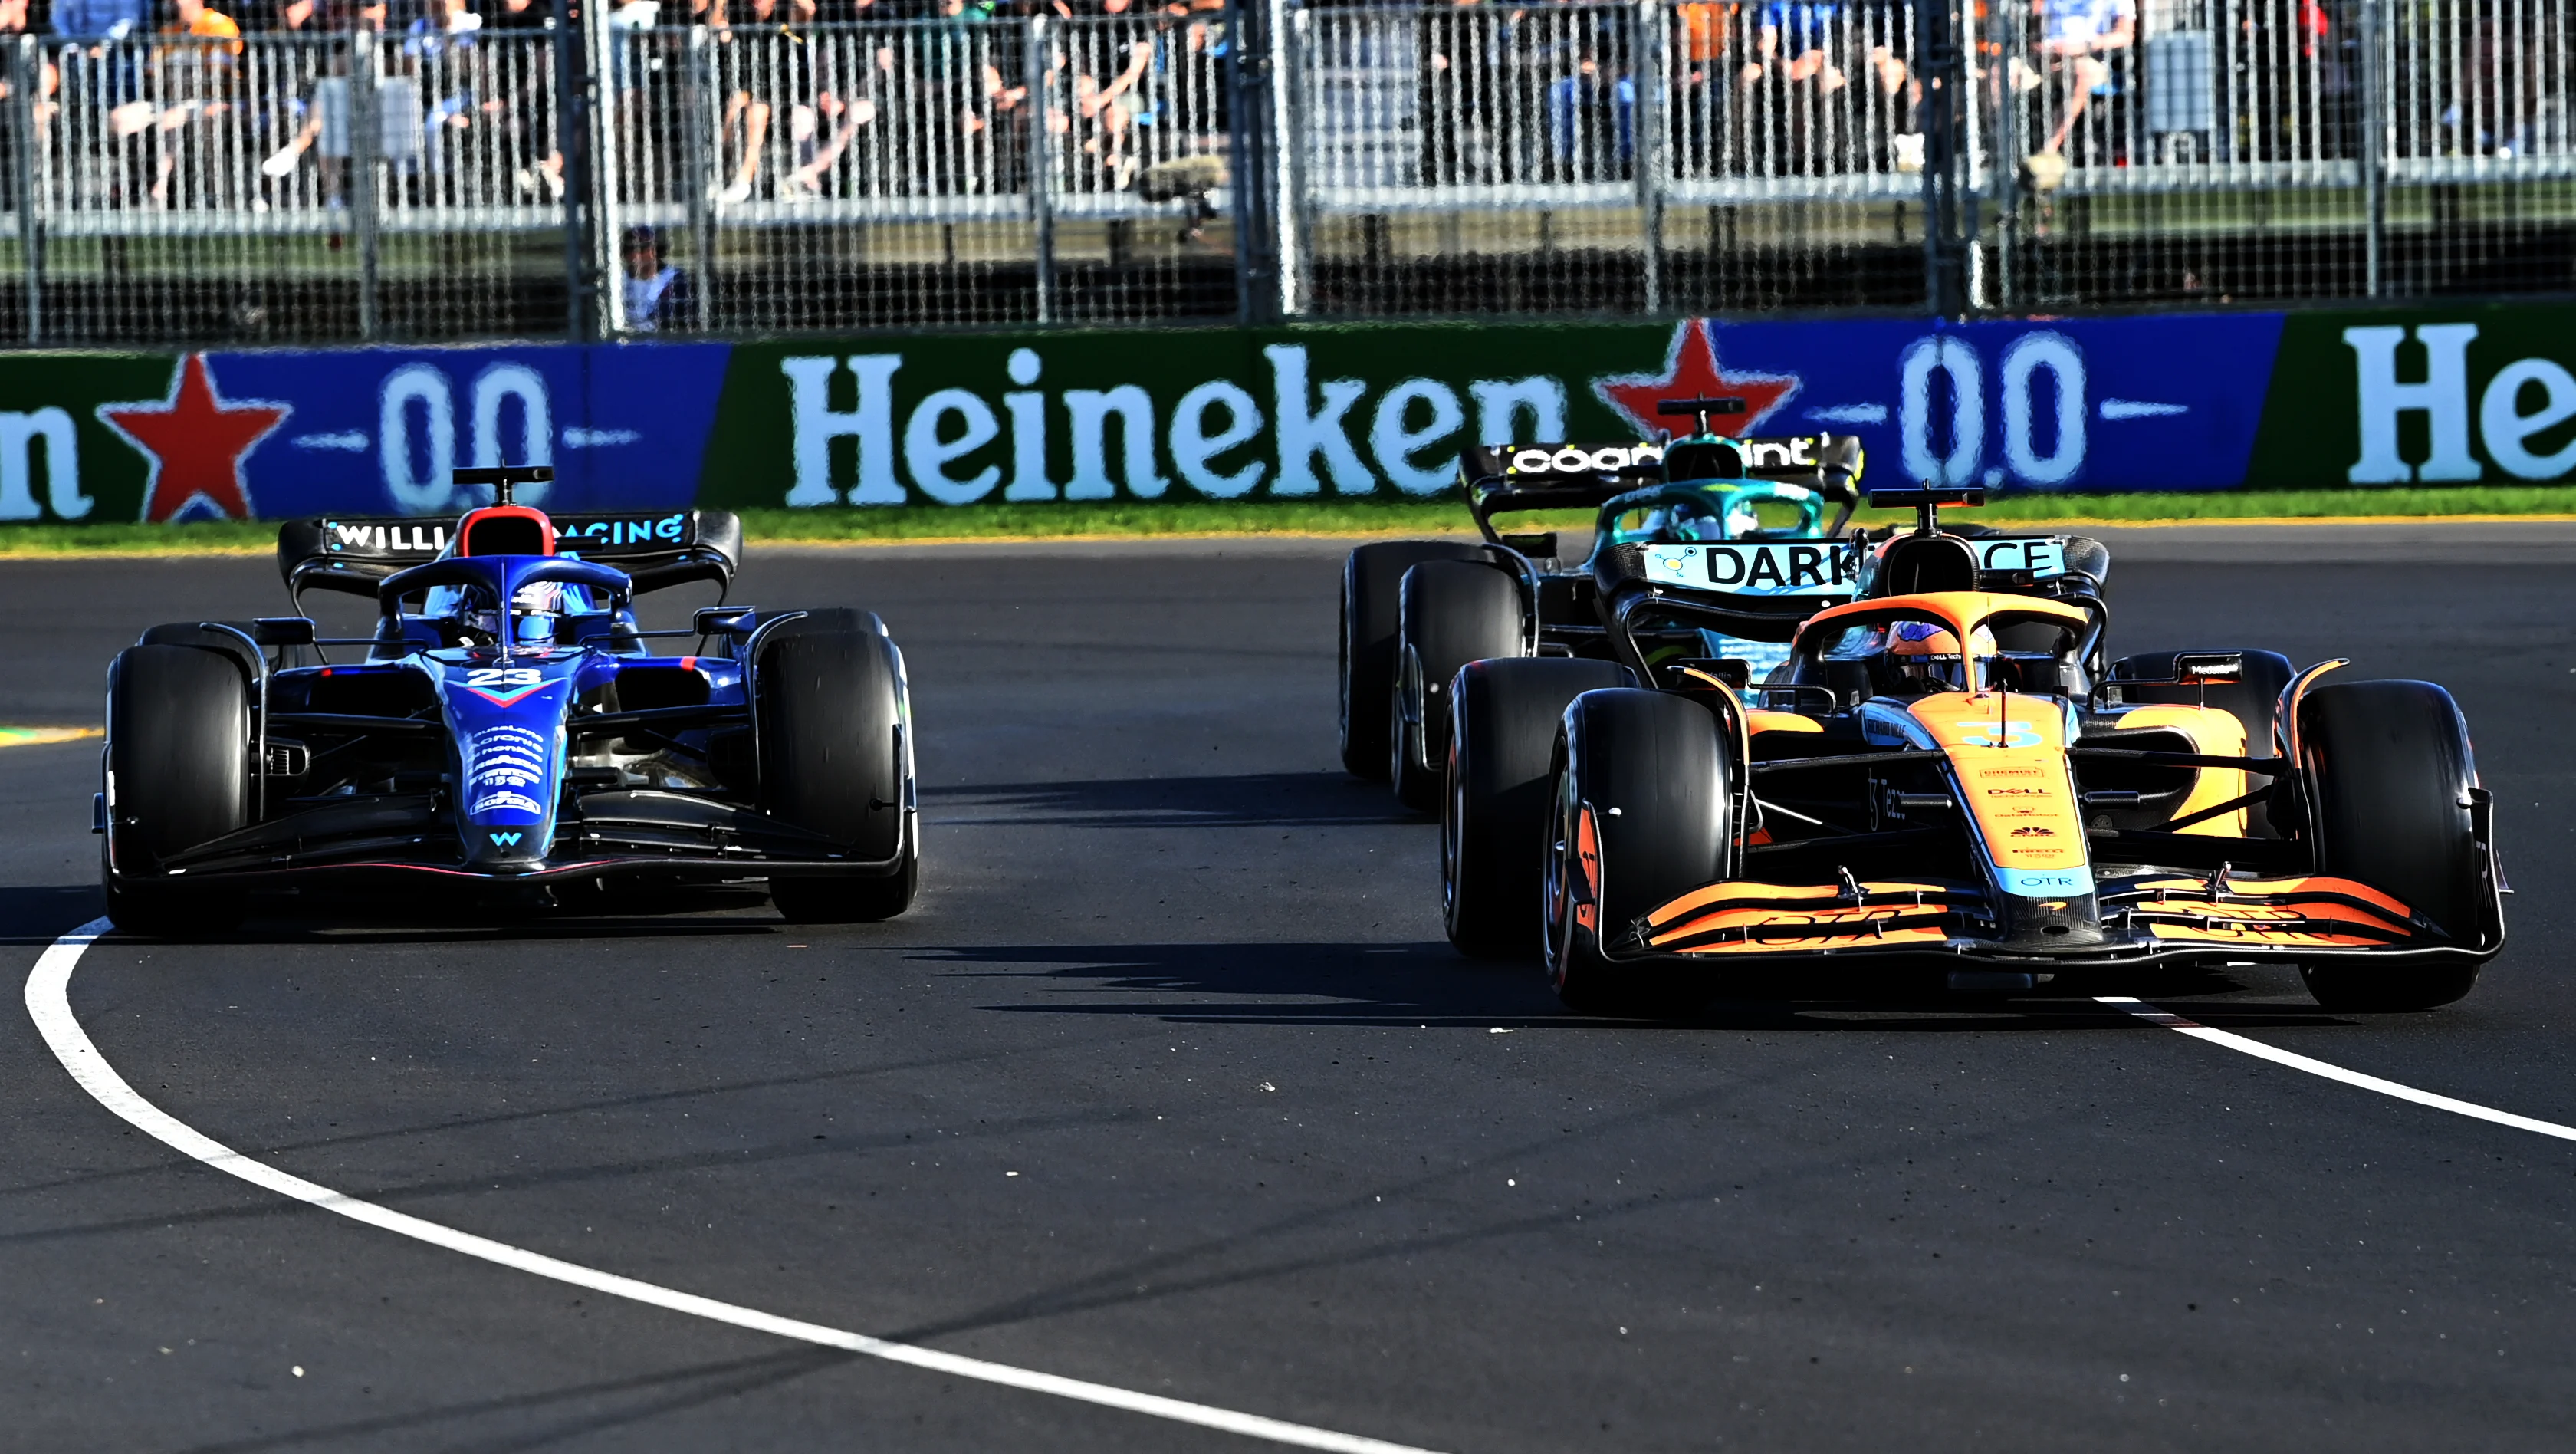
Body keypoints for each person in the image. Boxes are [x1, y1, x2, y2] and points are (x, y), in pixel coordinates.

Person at [619, 224, 695, 331]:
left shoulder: (676, 281)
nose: (633, 255)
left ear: (655, 251)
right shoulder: (617, 282)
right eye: (628, 250)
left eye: (640, 249)